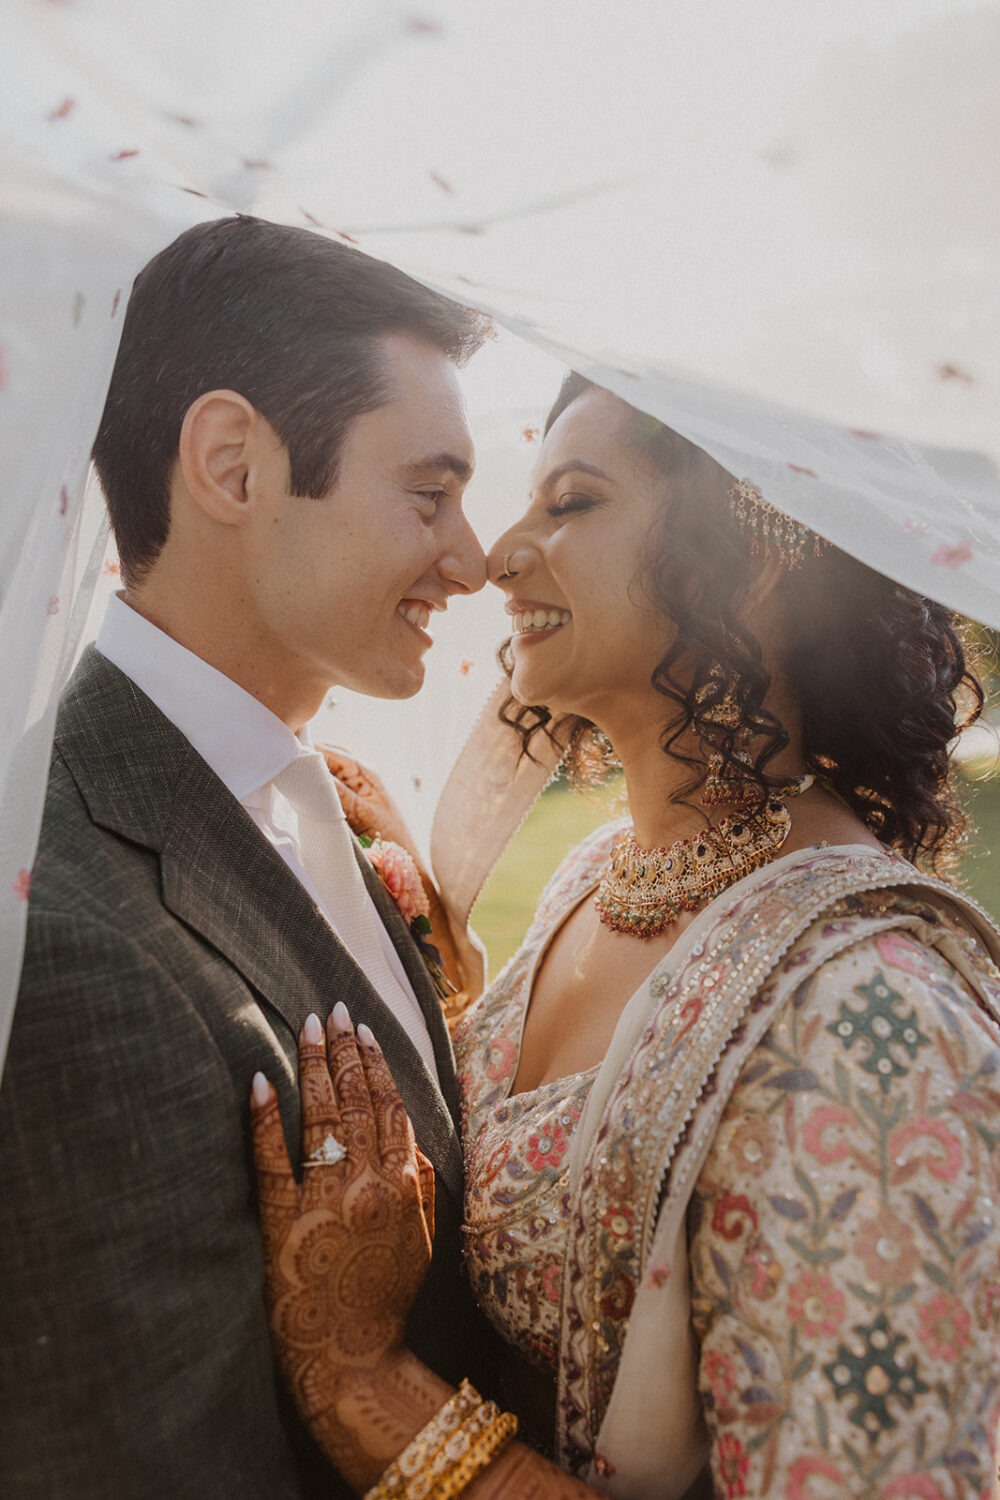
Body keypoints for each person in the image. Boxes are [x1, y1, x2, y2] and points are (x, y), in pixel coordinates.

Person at [250, 374, 1000, 1499]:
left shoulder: (866, 1022)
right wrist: (428, 970)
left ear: (753, 553)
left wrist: (369, 1387)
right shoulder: (593, 876)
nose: (498, 555)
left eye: (574, 503)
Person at [0, 215, 505, 1499]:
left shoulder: (319, 794)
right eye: (429, 495)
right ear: (232, 465)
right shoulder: (68, 938)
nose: (472, 560)